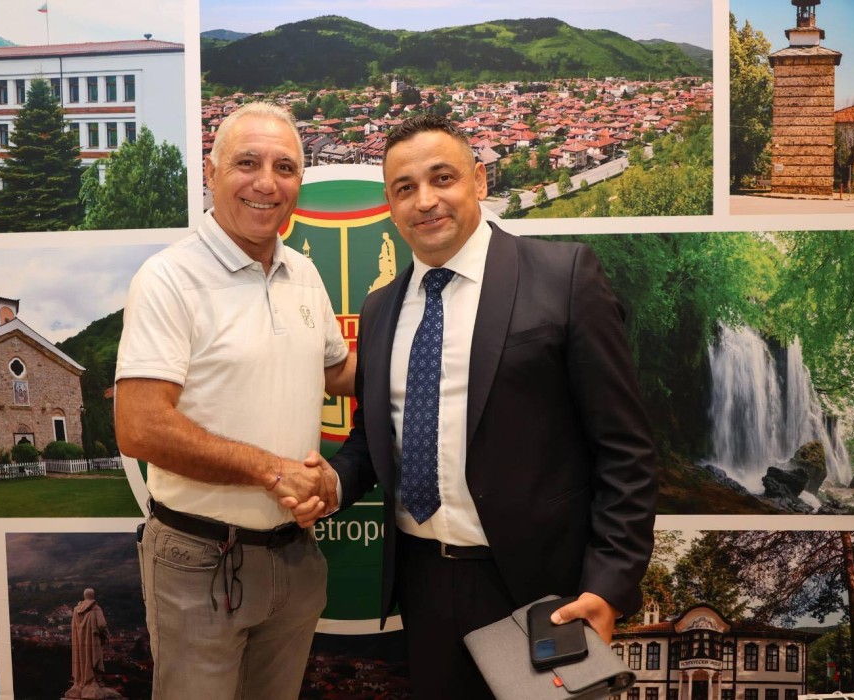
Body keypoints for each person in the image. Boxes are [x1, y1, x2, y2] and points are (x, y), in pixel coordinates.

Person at [285, 114, 656, 699]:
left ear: (478, 181)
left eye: (443, 178)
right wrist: (331, 482)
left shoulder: (564, 277)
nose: (425, 200)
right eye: (405, 188)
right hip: (424, 582)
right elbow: (375, 439)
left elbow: (626, 450)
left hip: (542, 591)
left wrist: (607, 586)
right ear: (390, 206)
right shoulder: (381, 309)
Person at [115, 101, 353, 699]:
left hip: (295, 555)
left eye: (285, 167)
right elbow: (140, 427)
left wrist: (442, 352)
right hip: (200, 560)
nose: (266, 183)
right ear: (211, 171)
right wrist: (272, 471)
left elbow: (339, 372)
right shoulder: (169, 278)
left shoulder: (304, 274)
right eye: (248, 163)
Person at [65, 588, 119, 699]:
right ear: (93, 595)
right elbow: (102, 625)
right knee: (93, 659)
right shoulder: (96, 609)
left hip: (80, 643)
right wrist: (106, 635)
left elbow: (73, 626)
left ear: (84, 596)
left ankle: (79, 684)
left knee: (81, 660)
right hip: (93, 642)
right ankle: (93, 683)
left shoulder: (76, 610)